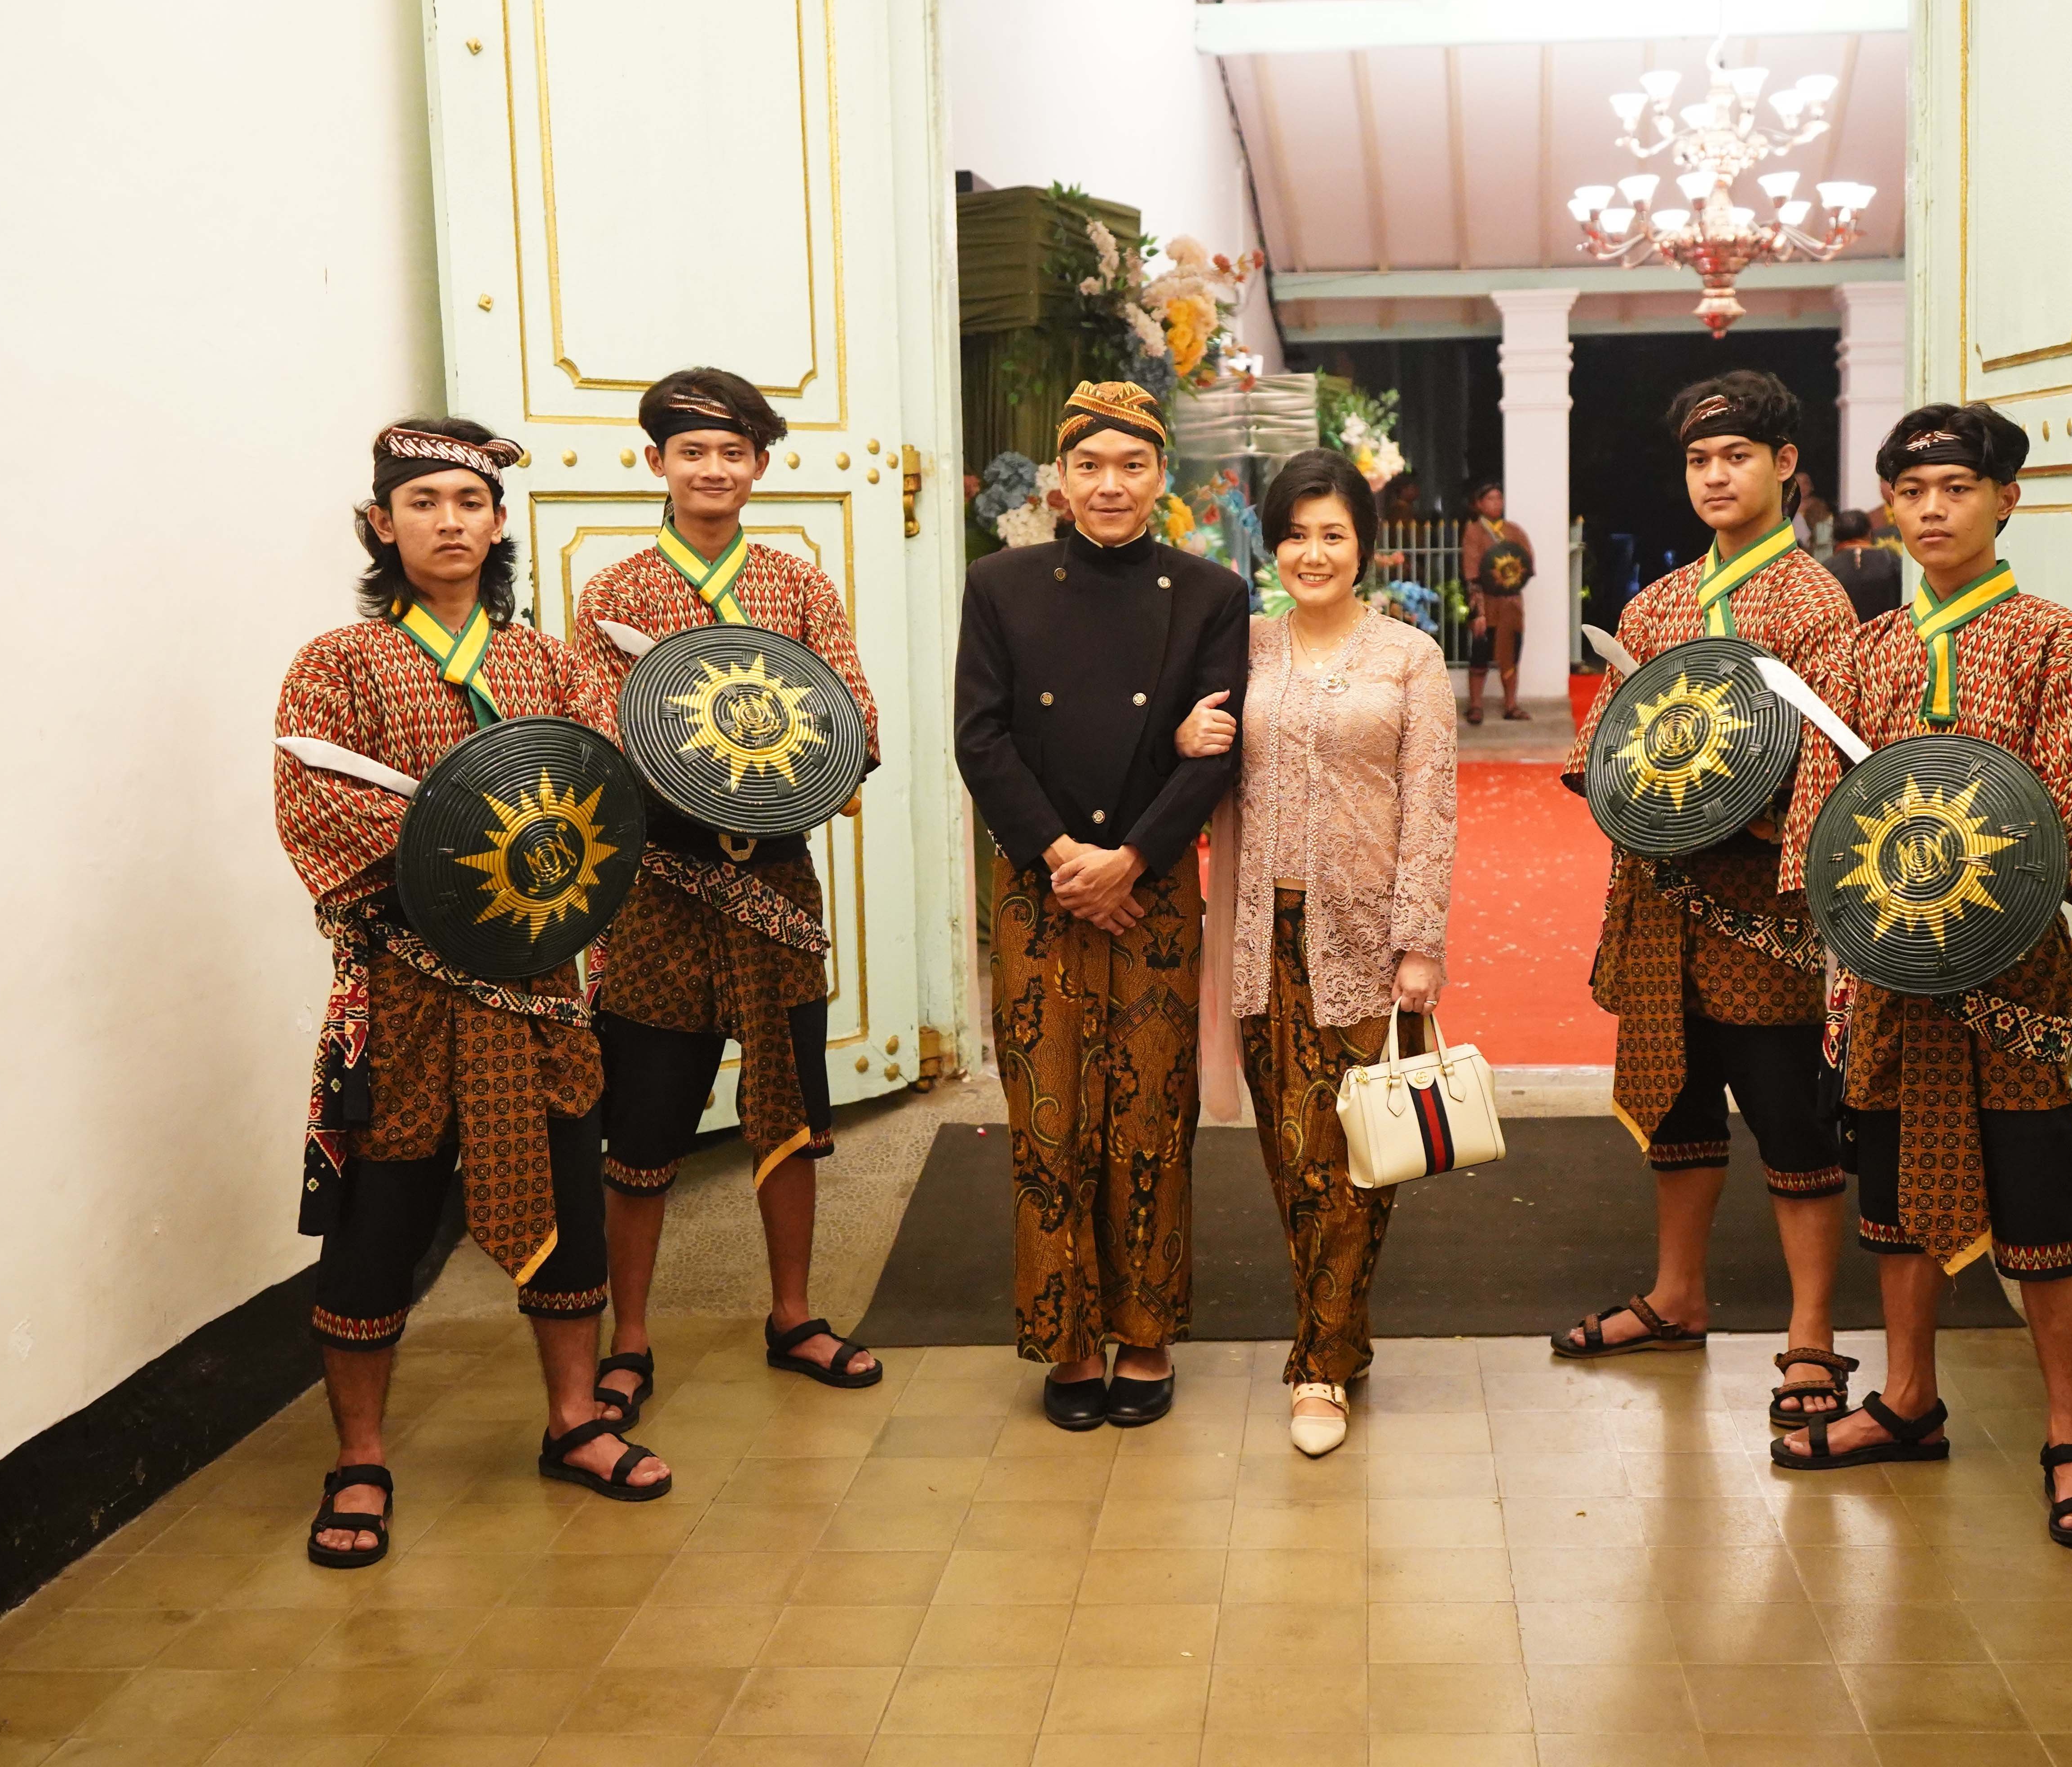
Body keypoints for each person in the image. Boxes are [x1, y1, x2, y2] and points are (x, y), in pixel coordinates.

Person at [275, 420, 671, 1567]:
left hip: (541, 994)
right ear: (379, 523)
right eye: (422, 502)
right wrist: (478, 860)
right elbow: (322, 814)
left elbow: (600, 811)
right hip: (402, 997)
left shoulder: (551, 665)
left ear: (499, 522)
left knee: (568, 1206)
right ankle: (359, 1458)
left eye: (467, 500)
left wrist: (516, 866)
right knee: (375, 1226)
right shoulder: (337, 665)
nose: (447, 521)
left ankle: (573, 1419)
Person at [1776, 402, 2072, 1550]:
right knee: (1888, 1186)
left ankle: (2069, 1430)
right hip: (1883, 978)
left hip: (2008, 976)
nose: (1931, 509)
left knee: (2036, 1193)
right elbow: (1818, 820)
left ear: (2004, 500)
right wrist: (1843, 908)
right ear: (1888, 506)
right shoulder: (1859, 654)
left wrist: (1966, 880)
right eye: (1911, 491)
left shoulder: (2055, 645)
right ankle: (1909, 1397)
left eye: (1956, 488)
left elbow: (2068, 817)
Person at [570, 368, 886, 1428]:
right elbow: (596, 735)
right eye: (690, 450)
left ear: (760, 465)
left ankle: (793, 1313)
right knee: (644, 1127)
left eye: (733, 451)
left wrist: (812, 761)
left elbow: (853, 717)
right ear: (653, 462)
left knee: (788, 1113)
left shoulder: (799, 587)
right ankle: (629, 1338)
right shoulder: (612, 593)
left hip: (774, 884)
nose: (713, 469)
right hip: (653, 891)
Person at [1556, 372, 1862, 1435]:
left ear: (1784, 466)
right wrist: (1613, 777)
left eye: (1735, 456)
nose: (1714, 476)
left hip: (1765, 911)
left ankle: (1812, 1330)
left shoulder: (1817, 605)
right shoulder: (1653, 605)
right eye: (1697, 460)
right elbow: (1599, 749)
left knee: (1789, 1120)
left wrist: (1745, 813)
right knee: (1673, 1104)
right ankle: (1677, 1293)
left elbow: (1829, 764)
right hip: (1659, 903)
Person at [955, 381, 1251, 1429]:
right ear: (1059, 483)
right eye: (1090, 466)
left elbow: (1219, 745)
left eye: (1132, 466)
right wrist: (1063, 857)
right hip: (1041, 886)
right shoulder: (1000, 584)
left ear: (1161, 479)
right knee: (1047, 1118)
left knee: (1147, 1118)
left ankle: (1144, 1334)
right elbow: (979, 738)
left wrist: (1129, 859)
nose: (1111, 485)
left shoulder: (1210, 592)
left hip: (1155, 888)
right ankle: (1065, 1334)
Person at [1174, 449, 1455, 1458]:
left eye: (1332, 532)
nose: (1311, 551)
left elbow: (1431, 807)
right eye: (1293, 533)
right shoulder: (1242, 647)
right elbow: (1197, 750)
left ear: (1365, 548)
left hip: (1365, 936)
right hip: (1258, 932)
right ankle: (1339, 1330)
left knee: (1352, 1160)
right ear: (1271, 543)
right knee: (1292, 1154)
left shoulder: (1408, 658)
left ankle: (1321, 1362)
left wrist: (1418, 944)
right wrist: (1188, 732)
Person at [1460, 479, 1534, 724]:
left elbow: (1526, 565)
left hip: (1511, 604)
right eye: (1490, 499)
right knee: (1480, 654)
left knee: (1511, 655)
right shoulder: (1474, 531)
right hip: (1486, 603)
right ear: (1479, 504)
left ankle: (1511, 706)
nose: (1496, 503)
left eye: (1499, 498)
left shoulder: (1514, 531)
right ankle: (1476, 706)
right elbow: (1472, 572)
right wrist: (1477, 610)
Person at [1823, 508, 1904, 624]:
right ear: (1869, 533)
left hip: (1844, 639)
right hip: (1886, 637)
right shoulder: (1891, 561)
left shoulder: (1825, 569)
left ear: (1835, 538)